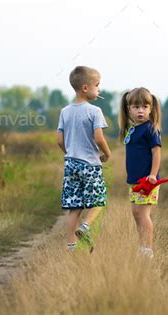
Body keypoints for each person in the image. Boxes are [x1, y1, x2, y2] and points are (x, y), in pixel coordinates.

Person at [57, 65, 111, 252]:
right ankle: (85, 227)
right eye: (97, 85)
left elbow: (59, 141)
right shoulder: (94, 111)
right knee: (99, 201)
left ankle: (71, 246)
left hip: (71, 163)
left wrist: (70, 152)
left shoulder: (65, 111)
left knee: (75, 206)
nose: (99, 89)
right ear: (85, 88)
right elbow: (98, 138)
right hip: (90, 164)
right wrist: (107, 153)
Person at [118, 87, 162, 259]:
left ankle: (147, 249)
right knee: (136, 214)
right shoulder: (133, 129)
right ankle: (142, 246)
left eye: (145, 106)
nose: (140, 110)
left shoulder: (150, 129)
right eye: (136, 107)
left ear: (151, 109)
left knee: (143, 214)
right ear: (129, 109)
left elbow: (156, 152)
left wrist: (153, 174)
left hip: (147, 181)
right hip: (135, 180)